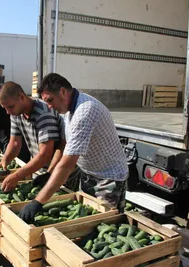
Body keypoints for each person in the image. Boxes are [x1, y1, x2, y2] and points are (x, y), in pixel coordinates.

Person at [19, 73, 129, 223]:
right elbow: (65, 145)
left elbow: (68, 164)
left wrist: (38, 202)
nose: (49, 106)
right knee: (86, 221)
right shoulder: (68, 110)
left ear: (63, 92)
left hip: (109, 178)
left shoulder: (84, 111)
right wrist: (50, 173)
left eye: (50, 100)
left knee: (103, 224)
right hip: (89, 174)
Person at [0, 82, 65, 192]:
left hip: (58, 172)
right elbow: (14, 143)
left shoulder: (43, 114)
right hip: (38, 170)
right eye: (5, 108)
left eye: (10, 107)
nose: (8, 112)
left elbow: (45, 154)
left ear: (22, 97)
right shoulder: (16, 113)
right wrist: (5, 160)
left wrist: (17, 176)